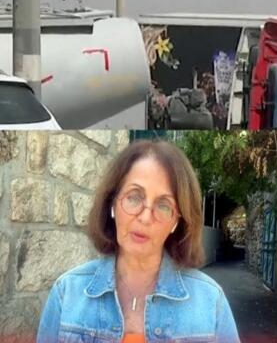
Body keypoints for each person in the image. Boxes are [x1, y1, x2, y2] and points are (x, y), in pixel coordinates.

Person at [37, 140, 240, 343]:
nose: (145, 217)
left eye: (163, 205)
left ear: (176, 221)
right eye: (134, 197)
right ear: (113, 205)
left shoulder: (211, 303)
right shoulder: (67, 293)